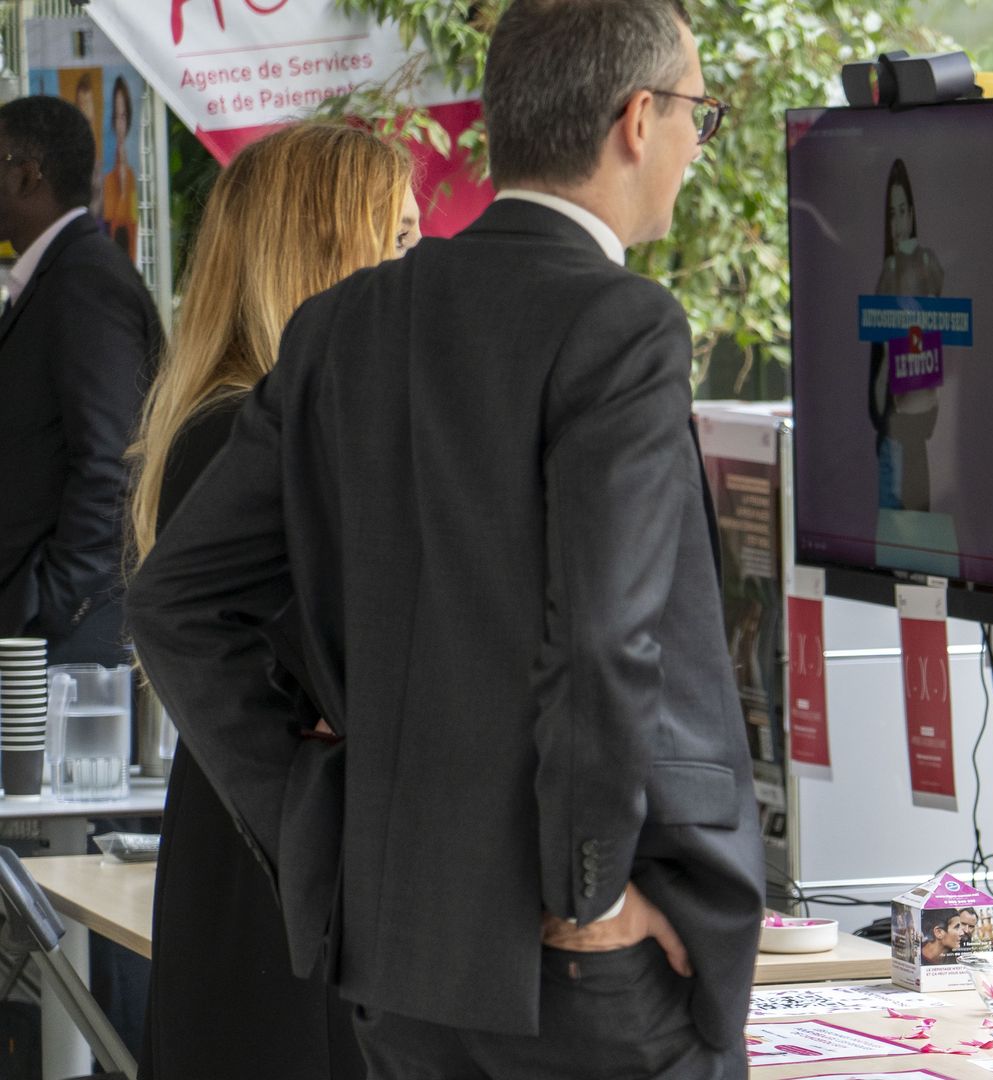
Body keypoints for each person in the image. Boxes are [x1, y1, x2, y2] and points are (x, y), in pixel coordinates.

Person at [126, 2, 759, 1077]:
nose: (701, 143)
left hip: (402, 962)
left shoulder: (343, 324)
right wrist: (592, 885)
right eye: (701, 112)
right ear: (636, 119)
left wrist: (317, 822)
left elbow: (173, 603)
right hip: (582, 964)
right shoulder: (619, 323)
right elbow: (603, 641)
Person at [127, 121, 417, 1080]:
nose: (422, 272)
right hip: (277, 877)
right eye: (403, 241)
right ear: (331, 253)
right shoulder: (246, 437)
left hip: (265, 857)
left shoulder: (239, 418)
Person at [0, 95, 163, 666]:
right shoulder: (55, 274)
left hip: (72, 641)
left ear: (26, 175)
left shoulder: (83, 279)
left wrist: (55, 601)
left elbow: (112, 459)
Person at [867, 157, 944, 512]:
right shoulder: (892, 269)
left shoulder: (922, 263)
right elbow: (882, 347)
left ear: (912, 214)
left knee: (912, 514)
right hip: (894, 415)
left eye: (902, 212)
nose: (897, 224)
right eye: (890, 215)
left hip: (918, 413)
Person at [101, 76, 138, 260]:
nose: (120, 125)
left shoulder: (133, 177)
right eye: (116, 116)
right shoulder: (107, 178)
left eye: (123, 116)